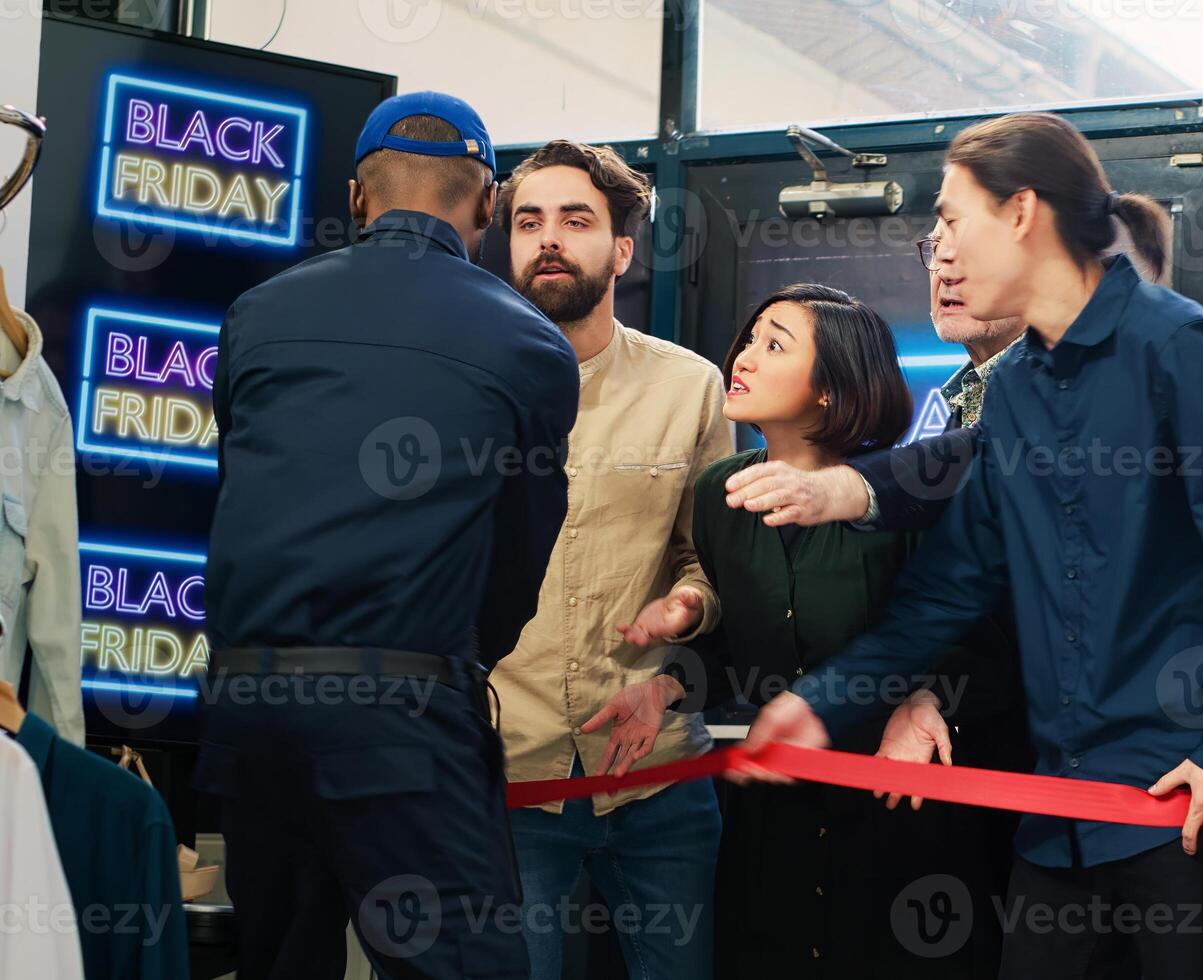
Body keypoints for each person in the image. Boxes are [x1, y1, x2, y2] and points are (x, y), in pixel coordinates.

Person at [741, 112, 1203, 979]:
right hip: (1056, 818)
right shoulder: (1015, 395)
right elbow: (952, 584)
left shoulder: (1178, 350)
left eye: (953, 221)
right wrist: (825, 703)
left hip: (1185, 805)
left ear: (1021, 214)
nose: (940, 250)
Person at [199, 93, 578, 979]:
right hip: (404, 718)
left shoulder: (256, 314)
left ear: (357, 198)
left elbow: (242, 494)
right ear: (488, 205)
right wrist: (448, 661)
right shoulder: (527, 341)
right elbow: (521, 553)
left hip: (251, 714)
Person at [596, 283, 1016, 977]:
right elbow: (736, 656)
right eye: (750, 337)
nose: (745, 357)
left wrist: (926, 700)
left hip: (896, 819)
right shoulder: (719, 495)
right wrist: (667, 686)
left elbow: (983, 648)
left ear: (830, 390)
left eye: (774, 345)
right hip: (775, 818)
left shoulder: (903, 495)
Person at [486, 140, 731, 980]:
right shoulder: (464, 388)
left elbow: (713, 563)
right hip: (507, 771)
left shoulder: (690, 388)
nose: (548, 238)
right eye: (529, 221)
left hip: (658, 770)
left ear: (622, 250)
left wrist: (686, 618)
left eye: (575, 220)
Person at [717, 217, 1023, 531]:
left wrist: (851, 488)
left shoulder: (1057, 388)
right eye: (938, 247)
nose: (943, 271)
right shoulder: (966, 402)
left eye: (972, 249)